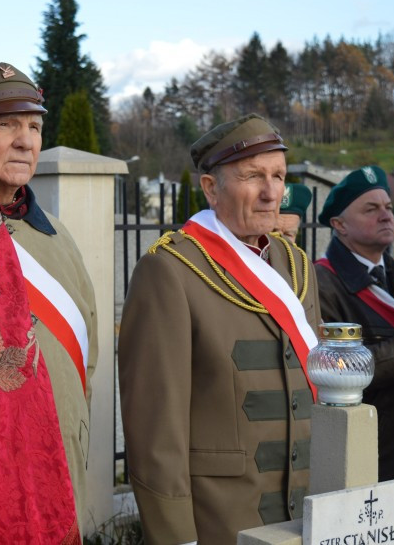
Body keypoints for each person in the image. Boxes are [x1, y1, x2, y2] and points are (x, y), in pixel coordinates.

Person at [119, 113, 321, 544]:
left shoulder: (297, 265)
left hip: (308, 514)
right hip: (222, 521)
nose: (271, 192)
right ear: (211, 188)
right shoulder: (170, 270)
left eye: (278, 176)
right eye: (253, 176)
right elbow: (156, 431)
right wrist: (177, 537)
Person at [0, 62, 98, 528]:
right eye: (6, 125)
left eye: (35, 127)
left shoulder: (58, 237)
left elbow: (88, 355)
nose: (26, 140)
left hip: (58, 462)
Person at [315, 165, 394, 484]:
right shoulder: (321, 286)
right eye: (371, 209)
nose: (386, 216)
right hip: (369, 462)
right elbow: (332, 372)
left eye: (388, 207)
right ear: (339, 225)